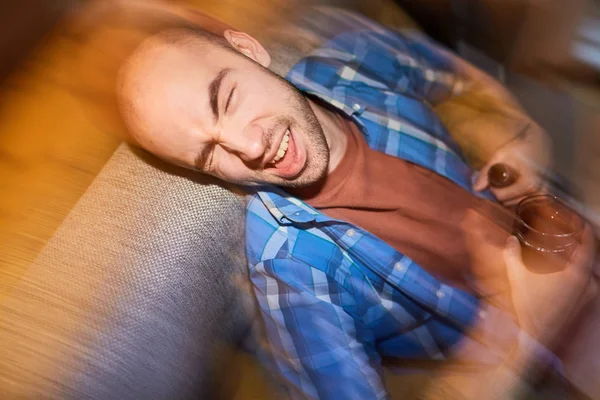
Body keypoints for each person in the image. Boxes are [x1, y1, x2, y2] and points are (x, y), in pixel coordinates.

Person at [116, 9, 597, 399]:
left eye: (227, 99)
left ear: (249, 51)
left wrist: (510, 132)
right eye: (210, 154)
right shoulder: (293, 281)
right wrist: (520, 334)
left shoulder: (351, 62)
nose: (248, 145)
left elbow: (457, 77)